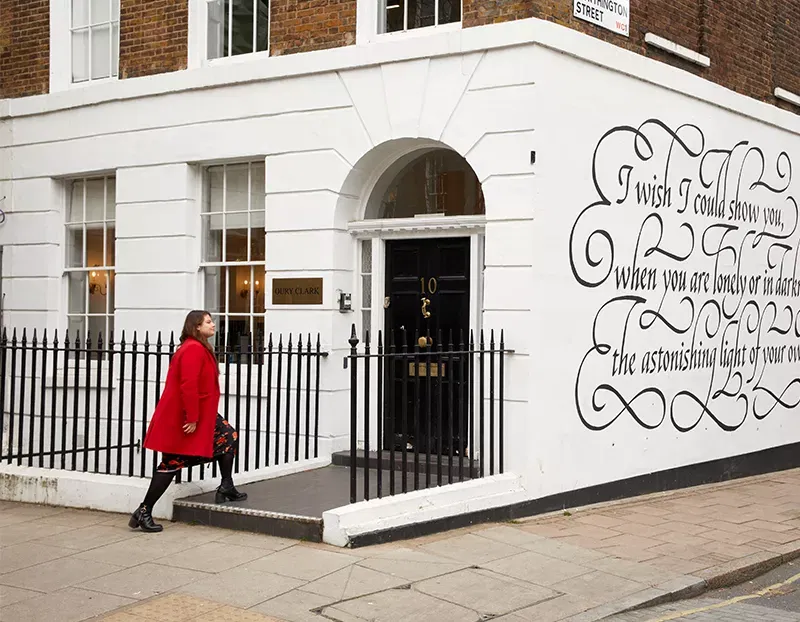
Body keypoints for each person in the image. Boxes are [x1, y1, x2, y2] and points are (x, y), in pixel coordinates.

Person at [129, 310, 247, 533]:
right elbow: (188, 385)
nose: (213, 325)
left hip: (200, 414)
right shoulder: (193, 349)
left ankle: (226, 485)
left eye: (212, 321)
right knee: (171, 463)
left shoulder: (198, 347)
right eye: (208, 322)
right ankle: (144, 511)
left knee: (228, 436)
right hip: (185, 418)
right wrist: (192, 418)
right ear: (196, 327)